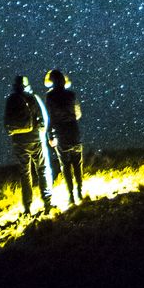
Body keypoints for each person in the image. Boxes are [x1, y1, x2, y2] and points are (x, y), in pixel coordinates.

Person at [3, 75, 54, 215]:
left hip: (19, 142)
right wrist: (45, 134)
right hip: (36, 139)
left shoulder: (11, 100)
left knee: (25, 174)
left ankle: (27, 208)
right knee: (43, 170)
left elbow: (7, 123)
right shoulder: (32, 98)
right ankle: (48, 203)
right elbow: (43, 119)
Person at [44, 69, 84, 203]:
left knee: (65, 165)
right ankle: (80, 191)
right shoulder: (71, 95)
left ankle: (71, 195)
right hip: (74, 130)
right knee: (77, 163)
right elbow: (78, 114)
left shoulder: (50, 97)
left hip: (61, 133)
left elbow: (49, 118)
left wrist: (50, 135)